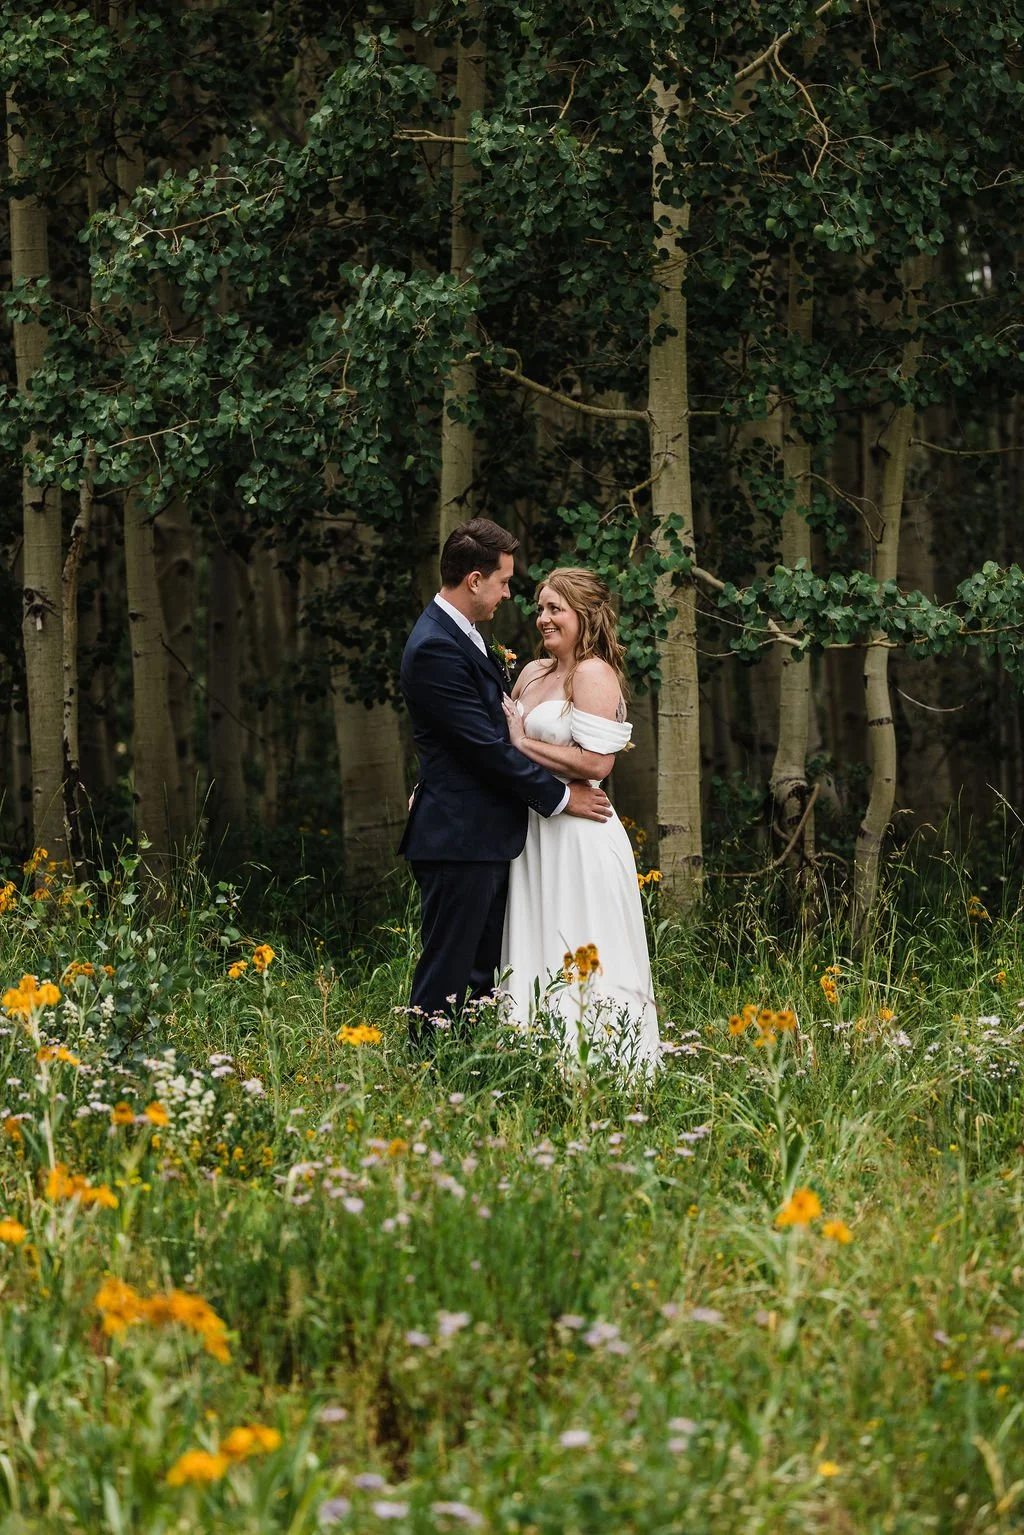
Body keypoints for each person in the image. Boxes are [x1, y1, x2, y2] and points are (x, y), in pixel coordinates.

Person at [399, 520, 613, 1041]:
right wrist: (562, 797)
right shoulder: (435, 646)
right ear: (475, 580)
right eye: (504, 581)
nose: (509, 594)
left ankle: (467, 1073)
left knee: (479, 976)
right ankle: (426, 1073)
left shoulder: (462, 637)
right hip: (459, 836)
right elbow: (485, 748)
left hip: (486, 835)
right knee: (448, 972)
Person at [499, 567, 660, 1073]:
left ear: (584, 615)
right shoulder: (531, 672)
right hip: (533, 830)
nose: (543, 618)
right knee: (537, 939)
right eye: (541, 608)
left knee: (583, 941)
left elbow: (598, 763)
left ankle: (607, 1070)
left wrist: (523, 744)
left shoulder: (592, 674)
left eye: (556, 609)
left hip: (580, 832)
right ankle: (536, 1065)